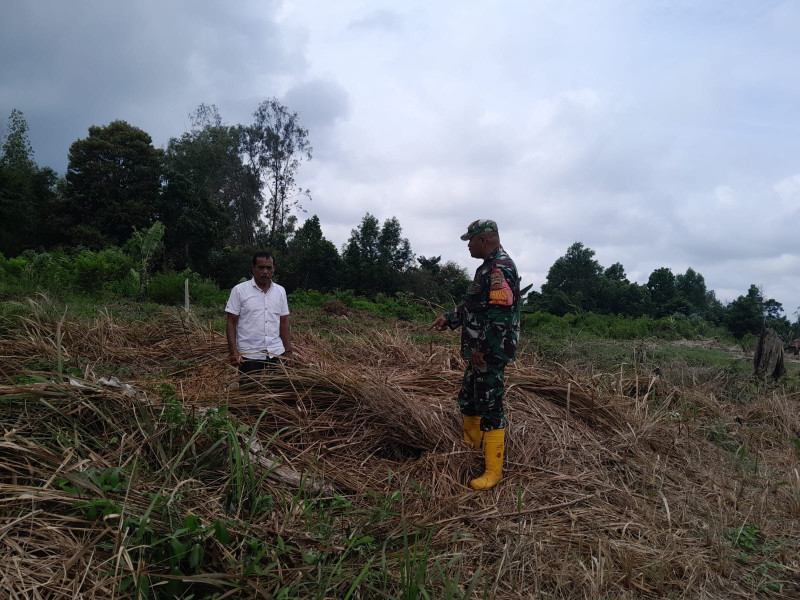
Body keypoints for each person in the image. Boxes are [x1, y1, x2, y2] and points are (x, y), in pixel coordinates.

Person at [429, 219, 520, 490]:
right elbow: (475, 307)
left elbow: (501, 316)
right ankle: (470, 450)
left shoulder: (501, 268)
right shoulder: (486, 268)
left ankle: (493, 471)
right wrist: (450, 318)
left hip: (490, 353)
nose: (467, 245)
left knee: (491, 407)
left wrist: (482, 347)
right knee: (469, 400)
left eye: (470, 240)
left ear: (483, 239)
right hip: (479, 353)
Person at [225, 251, 293, 378]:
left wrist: (288, 351)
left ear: (274, 269)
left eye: (269, 268)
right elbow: (231, 322)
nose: (265, 272)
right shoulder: (239, 290)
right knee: (249, 389)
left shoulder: (280, 291)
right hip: (249, 354)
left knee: (280, 388)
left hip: (276, 351)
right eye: (261, 267)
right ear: (253, 269)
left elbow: (284, 322)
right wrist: (233, 351)